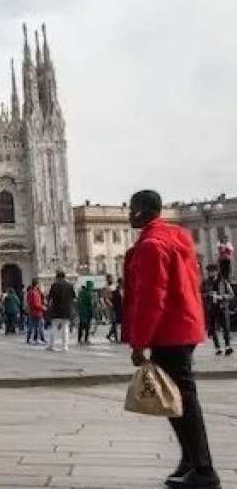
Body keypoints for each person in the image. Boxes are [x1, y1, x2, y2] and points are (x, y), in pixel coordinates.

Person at [125, 190, 221, 489]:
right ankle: (191, 460)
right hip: (183, 325)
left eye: (132, 209)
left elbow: (152, 298)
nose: (129, 215)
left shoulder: (153, 245)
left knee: (183, 400)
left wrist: (139, 341)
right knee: (176, 399)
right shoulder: (176, 237)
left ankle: (204, 470)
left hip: (169, 330)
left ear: (142, 211)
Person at [202, 264, 233, 356]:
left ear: (216, 271)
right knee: (213, 328)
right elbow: (200, 294)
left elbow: (231, 294)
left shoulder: (223, 282)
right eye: (209, 271)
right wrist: (208, 294)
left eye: (212, 271)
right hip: (211, 307)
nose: (210, 273)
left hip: (222, 307)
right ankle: (217, 348)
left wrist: (222, 297)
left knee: (226, 327)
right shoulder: (205, 282)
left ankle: (228, 347)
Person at [46, 271, 76, 352]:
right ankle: (65, 346)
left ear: (58, 277)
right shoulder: (69, 286)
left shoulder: (54, 285)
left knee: (54, 328)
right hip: (66, 310)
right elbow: (73, 297)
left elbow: (49, 298)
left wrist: (48, 307)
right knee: (65, 328)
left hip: (56, 310)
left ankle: (51, 345)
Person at [26, 280, 47, 345]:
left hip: (34, 311)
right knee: (37, 326)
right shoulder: (34, 293)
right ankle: (36, 339)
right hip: (36, 311)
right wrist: (42, 307)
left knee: (34, 325)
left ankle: (31, 338)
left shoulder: (34, 292)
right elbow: (35, 303)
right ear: (37, 285)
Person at [77, 280, 96, 345]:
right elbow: (91, 304)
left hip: (81, 312)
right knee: (87, 326)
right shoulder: (89, 293)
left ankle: (79, 339)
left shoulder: (81, 292)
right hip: (87, 312)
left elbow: (78, 302)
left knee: (81, 325)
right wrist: (92, 312)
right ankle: (86, 339)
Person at [109, 279, 125, 343]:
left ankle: (121, 338)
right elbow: (113, 301)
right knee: (117, 324)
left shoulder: (125, 291)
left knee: (121, 325)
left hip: (123, 310)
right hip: (118, 310)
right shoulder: (115, 292)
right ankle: (118, 338)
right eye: (121, 283)